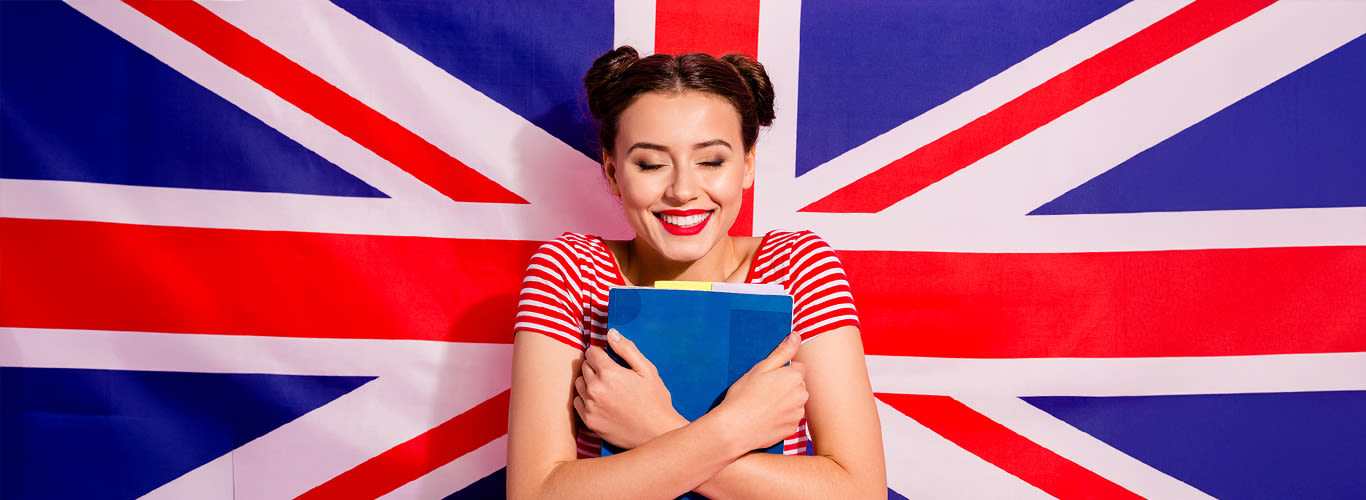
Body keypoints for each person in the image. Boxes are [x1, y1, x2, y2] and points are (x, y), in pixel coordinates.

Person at [507, 46, 886, 500]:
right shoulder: (571, 271)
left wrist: (651, 427)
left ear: (746, 165)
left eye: (710, 161)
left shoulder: (796, 264)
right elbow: (534, 494)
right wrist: (736, 428)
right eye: (650, 163)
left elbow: (860, 491)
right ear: (612, 172)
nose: (683, 191)